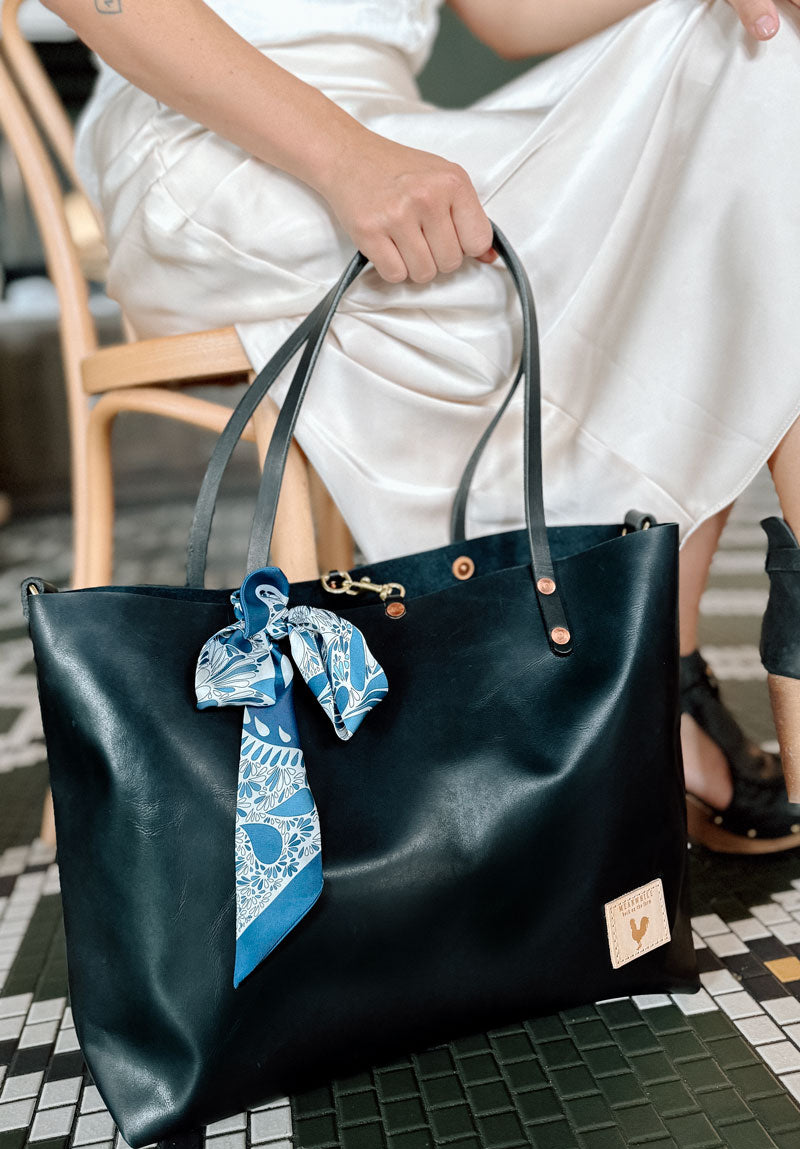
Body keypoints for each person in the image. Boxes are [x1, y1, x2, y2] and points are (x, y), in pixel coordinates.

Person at [45, 0, 800, 850]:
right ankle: (633, 681)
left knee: (755, 53)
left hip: (403, 133)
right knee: (631, 247)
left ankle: (648, 673)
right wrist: (347, 160)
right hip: (214, 138)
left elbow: (509, 17)